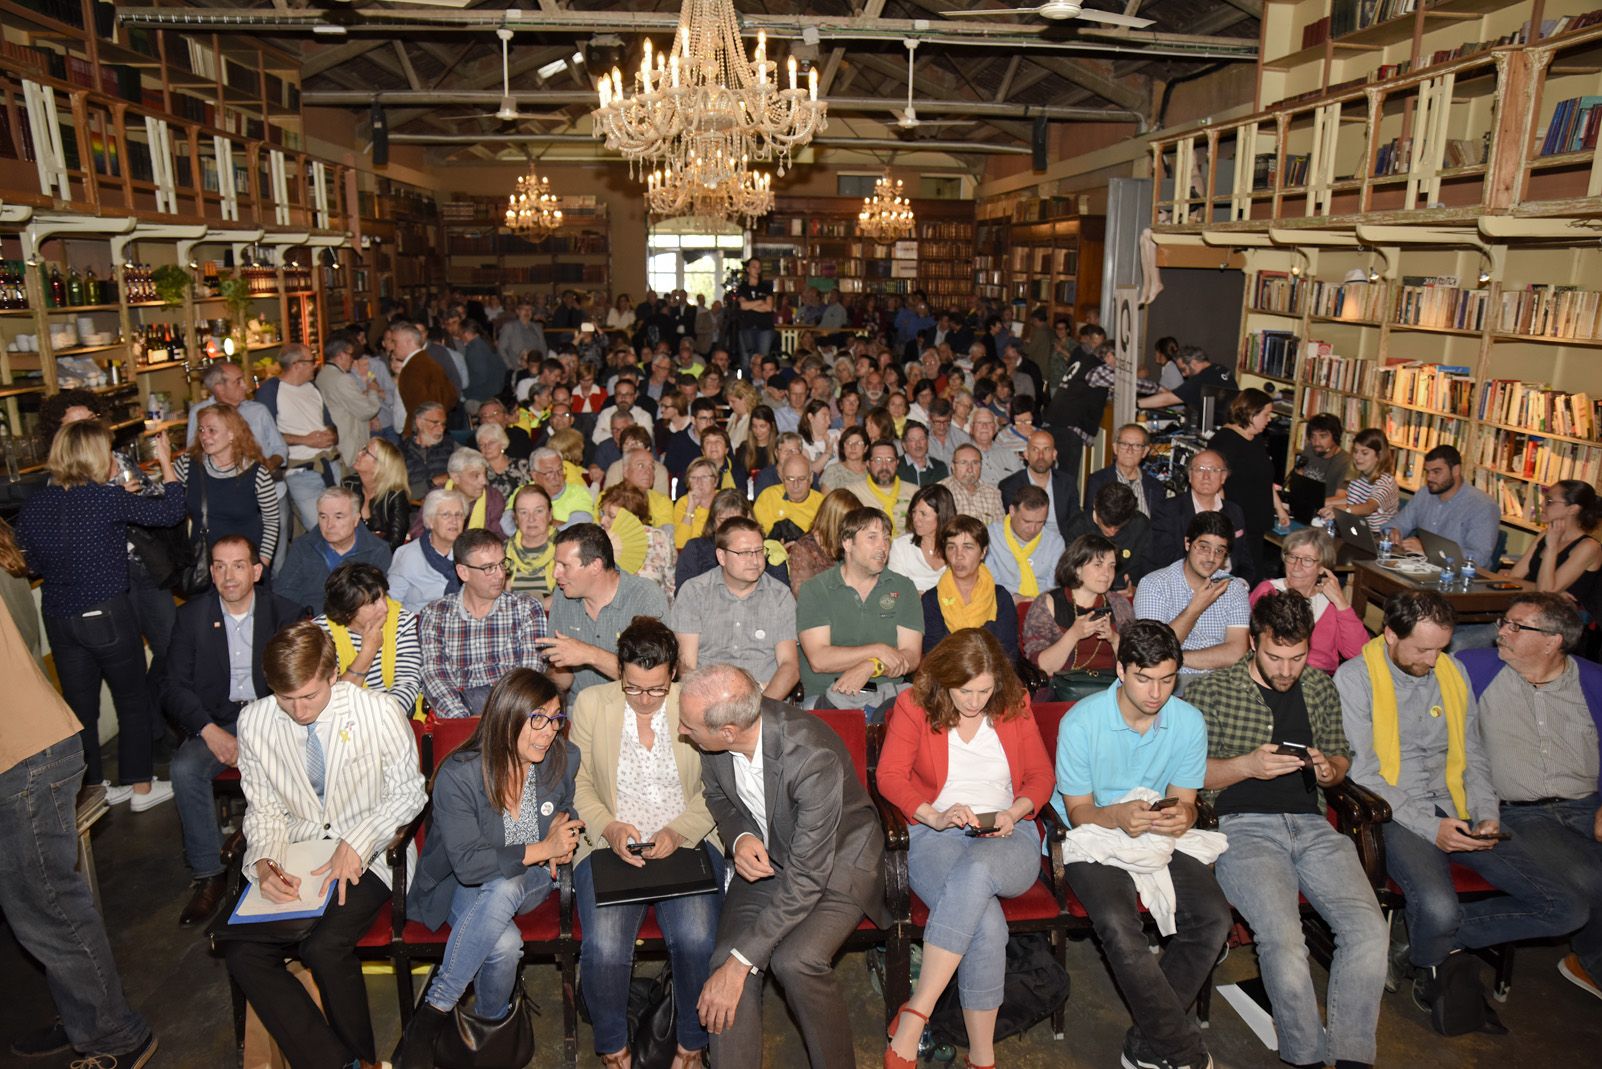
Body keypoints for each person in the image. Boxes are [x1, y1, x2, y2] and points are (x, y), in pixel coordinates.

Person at [1334, 589, 1586, 1032]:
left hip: (1457, 803)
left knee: (1568, 909)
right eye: (1423, 649)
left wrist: (1488, 814)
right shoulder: (1355, 678)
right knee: (1440, 906)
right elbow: (1367, 775)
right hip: (1398, 812)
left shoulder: (1452, 673)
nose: (1434, 661)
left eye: (1441, 648)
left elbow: (1473, 754)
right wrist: (1432, 829)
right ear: (1390, 634)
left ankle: (1422, 943)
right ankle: (1432, 949)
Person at [1187, 591, 1388, 1069]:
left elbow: (1341, 758)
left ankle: (1354, 1058)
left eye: (1296, 658)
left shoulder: (1319, 687)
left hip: (1313, 826)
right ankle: (1306, 1057)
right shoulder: (1209, 691)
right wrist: (1246, 765)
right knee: (1283, 939)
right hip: (1243, 828)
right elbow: (1187, 776)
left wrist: (1328, 770)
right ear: (1254, 642)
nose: (1286, 669)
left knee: (1368, 930)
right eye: (1275, 656)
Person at [223, 622, 427, 1069]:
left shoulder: (377, 710)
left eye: (309, 696)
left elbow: (410, 793)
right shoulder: (255, 720)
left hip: (373, 854)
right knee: (241, 951)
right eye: (285, 697)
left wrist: (357, 842)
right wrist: (264, 862)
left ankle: (360, 1058)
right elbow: (263, 807)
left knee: (323, 947)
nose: (297, 710)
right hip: (298, 850)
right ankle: (340, 1064)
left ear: (334, 674)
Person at [676, 663, 888, 1067]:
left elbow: (808, 877)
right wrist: (741, 837)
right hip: (771, 860)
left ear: (728, 732)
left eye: (688, 726)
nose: (682, 731)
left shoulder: (810, 758)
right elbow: (717, 797)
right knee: (725, 961)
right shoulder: (714, 743)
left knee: (795, 961)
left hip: (837, 863)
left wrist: (742, 963)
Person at [1053, 620, 1233, 1069]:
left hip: (1154, 835)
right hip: (1094, 836)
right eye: (1144, 678)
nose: (1156, 693)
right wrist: (1114, 815)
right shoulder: (1081, 722)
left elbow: (1187, 801)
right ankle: (1182, 1050)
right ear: (1120, 669)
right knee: (1118, 925)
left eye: (1167, 680)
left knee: (1213, 919)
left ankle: (1149, 1044)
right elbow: (1078, 812)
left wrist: (1183, 815)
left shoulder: (1187, 721)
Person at [876, 629, 1053, 1069]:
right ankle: (983, 1055)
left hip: (1008, 835)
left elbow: (1041, 777)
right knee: (987, 925)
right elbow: (890, 776)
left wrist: (1016, 810)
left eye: (984, 691)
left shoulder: (1014, 704)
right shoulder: (914, 705)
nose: (975, 701)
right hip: (935, 833)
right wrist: (932, 815)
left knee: (976, 874)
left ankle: (916, 1012)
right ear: (943, 681)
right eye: (965, 691)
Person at [395, 668, 580, 1067]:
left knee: (508, 885)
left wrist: (563, 836)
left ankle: (433, 1011)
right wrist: (541, 846)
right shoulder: (459, 774)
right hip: (467, 882)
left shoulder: (561, 759)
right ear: (507, 718)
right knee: (504, 943)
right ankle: (490, 1028)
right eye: (538, 720)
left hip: (531, 884)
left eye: (556, 719)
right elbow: (468, 865)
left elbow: (567, 810)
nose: (549, 732)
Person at [0, 604, 158, 1067]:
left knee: (50, 909)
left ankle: (115, 1035)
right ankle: (84, 1016)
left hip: (25, 759)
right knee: (34, 908)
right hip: (26, 753)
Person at [569, 620, 724, 1068]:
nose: (644, 699)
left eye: (655, 689)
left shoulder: (694, 704)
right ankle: (614, 1049)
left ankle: (691, 1047)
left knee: (698, 939)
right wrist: (610, 827)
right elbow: (577, 783)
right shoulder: (592, 704)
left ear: (673, 673)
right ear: (619, 672)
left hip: (686, 841)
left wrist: (679, 831)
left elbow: (717, 787)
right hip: (609, 844)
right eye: (634, 688)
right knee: (603, 947)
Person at [15, 420, 184, 805]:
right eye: (107, 451)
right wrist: (166, 463)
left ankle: (91, 790)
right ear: (94, 457)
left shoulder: (36, 503)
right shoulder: (103, 499)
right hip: (106, 614)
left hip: (59, 618)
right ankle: (139, 787)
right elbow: (172, 511)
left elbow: (30, 563)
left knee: (80, 709)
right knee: (133, 698)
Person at [1457, 592, 1602, 1000]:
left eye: (1516, 627)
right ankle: (1591, 963)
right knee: (1591, 876)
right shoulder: (1475, 668)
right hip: (1524, 813)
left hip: (1586, 803)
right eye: (1505, 622)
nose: (1501, 631)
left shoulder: (1592, 681)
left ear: (1553, 640)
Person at [165, 535, 305, 927]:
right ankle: (209, 874)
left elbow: (299, 680)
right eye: (220, 566)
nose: (229, 575)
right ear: (211, 571)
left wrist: (264, 730)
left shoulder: (286, 613)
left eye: (239, 565)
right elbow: (172, 686)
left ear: (257, 571)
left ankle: (293, 855)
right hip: (219, 720)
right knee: (184, 769)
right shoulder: (191, 617)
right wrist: (209, 731)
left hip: (275, 716)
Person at [796, 506, 924, 711]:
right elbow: (819, 659)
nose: (882, 546)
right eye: (872, 538)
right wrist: (878, 650)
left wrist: (872, 665)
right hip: (827, 694)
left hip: (886, 696)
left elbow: (911, 656)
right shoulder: (816, 589)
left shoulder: (903, 588)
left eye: (886, 538)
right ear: (847, 543)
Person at [417, 529, 549, 718]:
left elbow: (530, 674)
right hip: (459, 712)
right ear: (463, 572)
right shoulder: (436, 614)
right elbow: (435, 676)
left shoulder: (525, 608)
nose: (500, 574)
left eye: (502, 564)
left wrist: (497, 719)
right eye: (488, 568)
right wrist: (462, 720)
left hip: (512, 712)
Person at [670, 516, 801, 700]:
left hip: (764, 696)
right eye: (744, 553)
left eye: (758, 551)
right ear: (721, 557)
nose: (755, 561)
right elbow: (686, 665)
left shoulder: (780, 596)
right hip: (707, 698)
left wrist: (761, 709)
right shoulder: (694, 593)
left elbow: (789, 667)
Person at [541, 523, 671, 694]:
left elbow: (650, 678)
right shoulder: (562, 594)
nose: (555, 574)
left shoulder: (645, 597)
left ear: (595, 565)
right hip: (580, 709)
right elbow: (563, 677)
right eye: (556, 565)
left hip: (632, 709)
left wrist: (590, 654)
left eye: (565, 566)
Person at [1134, 511, 1251, 678]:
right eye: (1203, 547)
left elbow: (1236, 652)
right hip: (1171, 682)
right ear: (1187, 544)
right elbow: (1153, 650)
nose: (1211, 558)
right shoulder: (1154, 585)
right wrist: (1195, 609)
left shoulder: (1233, 588)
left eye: (1219, 551)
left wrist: (1178, 656)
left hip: (1222, 683)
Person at [1022, 533, 1136, 703]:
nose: (1107, 573)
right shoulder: (1048, 603)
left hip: (1111, 692)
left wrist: (1114, 639)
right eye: (1098, 565)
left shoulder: (1118, 605)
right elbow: (1043, 668)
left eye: (1111, 566)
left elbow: (1135, 664)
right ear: (1077, 568)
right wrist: (1073, 634)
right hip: (1062, 694)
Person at [174, 402, 282, 569]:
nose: (204, 436)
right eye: (201, 430)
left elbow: (271, 521)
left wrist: (262, 562)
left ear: (231, 434)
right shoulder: (188, 465)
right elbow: (165, 498)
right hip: (203, 564)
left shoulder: (257, 474)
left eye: (212, 430)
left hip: (243, 566)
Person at [1250, 527, 1367, 672]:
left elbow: (1358, 652)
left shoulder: (1330, 603)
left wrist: (1341, 603)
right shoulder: (1268, 591)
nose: (1296, 567)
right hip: (1275, 672)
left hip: (1320, 678)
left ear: (1322, 568)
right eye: (1292, 557)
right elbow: (1247, 640)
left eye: (1307, 560)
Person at [314, 561, 423, 716]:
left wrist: (379, 719)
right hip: (340, 719)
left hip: (392, 716)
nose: (385, 608)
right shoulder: (321, 633)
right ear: (348, 612)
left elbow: (407, 683)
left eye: (383, 597)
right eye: (373, 603)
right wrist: (368, 651)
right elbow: (330, 698)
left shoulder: (402, 621)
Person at [257, 343, 343, 535]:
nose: (315, 365)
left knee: (341, 526)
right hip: (302, 470)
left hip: (330, 463)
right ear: (297, 365)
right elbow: (264, 434)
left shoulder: (312, 387)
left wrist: (331, 434)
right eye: (311, 361)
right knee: (321, 529)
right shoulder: (271, 390)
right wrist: (305, 440)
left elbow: (329, 423)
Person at [1206, 388, 1289, 586]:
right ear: (1250, 413)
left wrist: (1279, 509)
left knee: (1255, 576)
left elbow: (1265, 478)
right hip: (1238, 524)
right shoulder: (1224, 441)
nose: (1269, 420)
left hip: (1257, 523)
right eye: (1266, 415)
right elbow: (1217, 485)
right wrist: (1226, 522)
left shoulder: (1256, 439)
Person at [277, 486, 393, 617]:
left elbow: (378, 602)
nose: (329, 525)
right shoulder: (303, 546)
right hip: (311, 623)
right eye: (323, 516)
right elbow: (284, 593)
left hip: (355, 624)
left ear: (356, 519)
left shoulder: (377, 551)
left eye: (338, 517)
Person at [1139, 449, 1247, 584]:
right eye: (1200, 469)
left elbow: (1245, 560)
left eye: (1213, 470)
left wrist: (1242, 584)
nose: (1206, 476)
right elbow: (1162, 560)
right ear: (1190, 476)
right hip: (1181, 587)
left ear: (1223, 477)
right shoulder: (1167, 510)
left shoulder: (1234, 511)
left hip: (1229, 587)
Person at [922, 514, 1020, 662]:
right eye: (951, 547)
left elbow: (1008, 652)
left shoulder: (1000, 597)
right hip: (949, 678)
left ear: (983, 552)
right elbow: (934, 655)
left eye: (967, 547)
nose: (958, 555)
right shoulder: (932, 600)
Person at [1387, 444, 1501, 568]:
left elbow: (1479, 558)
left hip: (1461, 577)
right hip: (1423, 567)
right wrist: (1394, 531)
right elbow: (1399, 523)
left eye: (1436, 472)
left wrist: (1429, 550)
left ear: (1456, 470)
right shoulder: (1424, 494)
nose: (1430, 478)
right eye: (1427, 472)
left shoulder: (1483, 506)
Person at [1505, 479, 1602, 620]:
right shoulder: (1544, 534)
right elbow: (1512, 579)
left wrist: (1551, 547)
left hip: (1558, 623)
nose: (1542, 504)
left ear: (1573, 509)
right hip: (1527, 612)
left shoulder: (1589, 547)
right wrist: (1554, 593)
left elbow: (1545, 593)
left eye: (1549, 501)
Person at [186, 359, 288, 475]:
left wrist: (263, 469)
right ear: (219, 388)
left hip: (268, 485)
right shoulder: (200, 413)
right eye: (238, 381)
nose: (245, 386)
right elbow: (194, 455)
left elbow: (280, 448)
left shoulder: (258, 410)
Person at [982, 483, 1066, 604]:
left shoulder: (1055, 543)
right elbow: (990, 583)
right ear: (1012, 511)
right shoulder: (990, 537)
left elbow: (1054, 588)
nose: (1033, 529)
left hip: (1043, 606)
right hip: (1002, 603)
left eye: (1040, 522)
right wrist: (1015, 598)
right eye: (1027, 521)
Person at [388, 488, 467, 613]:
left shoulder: (471, 554)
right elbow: (392, 603)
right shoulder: (408, 555)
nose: (454, 521)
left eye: (459, 514)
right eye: (446, 515)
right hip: (417, 625)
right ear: (430, 521)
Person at [1062, 482, 1150, 593]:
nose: (1112, 532)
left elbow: (1150, 567)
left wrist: (1137, 588)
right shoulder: (1077, 527)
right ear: (1095, 506)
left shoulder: (1140, 525)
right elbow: (1071, 573)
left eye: (1119, 527)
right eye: (1106, 525)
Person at [598, 482, 677, 601]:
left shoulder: (659, 539)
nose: (603, 521)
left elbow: (670, 585)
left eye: (611, 516)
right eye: (602, 513)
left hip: (654, 610)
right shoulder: (598, 541)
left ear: (633, 518)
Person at [316, 333, 384, 468]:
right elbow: (367, 411)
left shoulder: (322, 374)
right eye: (351, 355)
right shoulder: (342, 379)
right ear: (341, 355)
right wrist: (372, 390)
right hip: (350, 444)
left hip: (338, 441)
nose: (352, 360)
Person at [999, 430, 1080, 541]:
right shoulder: (1009, 486)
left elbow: (1075, 523)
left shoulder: (1067, 483)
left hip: (1063, 546)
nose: (1040, 456)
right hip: (1025, 544)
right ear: (1026, 454)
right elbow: (1013, 526)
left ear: (1054, 454)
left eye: (1046, 449)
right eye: (1035, 449)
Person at [1318, 427, 1398, 534]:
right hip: (1355, 531)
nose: (1357, 457)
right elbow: (1351, 500)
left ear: (1379, 455)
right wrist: (1321, 502)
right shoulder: (1360, 474)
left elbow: (1369, 507)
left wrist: (1339, 510)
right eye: (1355, 451)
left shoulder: (1386, 482)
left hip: (1377, 538)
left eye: (1364, 453)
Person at [1137, 344, 1238, 423]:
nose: (1184, 375)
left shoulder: (1201, 379)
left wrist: (1137, 404)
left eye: (1183, 369)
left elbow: (1167, 399)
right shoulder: (1219, 369)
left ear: (1194, 362)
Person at [342, 436, 412, 550]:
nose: (359, 453)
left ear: (379, 466)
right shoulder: (348, 484)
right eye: (363, 449)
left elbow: (394, 543)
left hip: (380, 557)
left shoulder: (396, 496)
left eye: (365, 452)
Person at [1084, 423, 1164, 518]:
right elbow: (1091, 520)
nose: (1130, 450)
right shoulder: (1098, 481)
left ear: (1145, 451)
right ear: (1115, 448)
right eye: (1124, 444)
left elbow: (1159, 525)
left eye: (1137, 445)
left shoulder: (1155, 486)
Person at [889, 483, 958, 594]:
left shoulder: (957, 548)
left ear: (942, 516)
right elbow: (895, 591)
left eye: (923, 514)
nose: (916, 519)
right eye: (914, 512)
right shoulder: (901, 546)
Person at [852, 438, 918, 538]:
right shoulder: (853, 493)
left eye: (890, 460)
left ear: (897, 463)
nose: (884, 466)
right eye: (878, 460)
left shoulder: (914, 492)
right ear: (868, 464)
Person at [754, 453, 824, 542]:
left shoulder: (823, 505)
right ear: (783, 478)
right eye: (790, 479)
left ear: (811, 478)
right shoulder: (768, 497)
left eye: (801, 479)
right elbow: (757, 537)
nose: (795, 485)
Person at [504, 484, 557, 602]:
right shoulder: (504, 552)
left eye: (539, 511)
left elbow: (571, 598)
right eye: (523, 512)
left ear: (550, 514)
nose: (531, 519)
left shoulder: (565, 548)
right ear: (515, 518)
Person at [401, 401, 460, 498]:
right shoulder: (401, 452)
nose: (441, 429)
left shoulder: (452, 446)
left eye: (443, 424)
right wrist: (432, 483)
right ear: (419, 422)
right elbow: (400, 494)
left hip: (448, 503)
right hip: (415, 508)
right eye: (435, 423)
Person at [939, 443, 1006, 527]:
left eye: (975, 463)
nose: (970, 469)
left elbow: (1000, 528)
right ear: (953, 466)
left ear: (981, 466)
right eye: (963, 463)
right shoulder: (941, 491)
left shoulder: (993, 493)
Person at [530, 445, 595, 527]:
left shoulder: (578, 493)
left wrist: (545, 523)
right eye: (549, 472)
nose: (557, 477)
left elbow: (578, 530)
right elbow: (509, 526)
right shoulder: (523, 493)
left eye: (560, 470)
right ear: (534, 475)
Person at [1299, 412, 1358, 498]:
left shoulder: (1346, 462)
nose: (1316, 442)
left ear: (1335, 437)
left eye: (1322, 436)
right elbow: (1299, 474)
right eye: (1313, 436)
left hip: (1325, 508)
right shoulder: (1310, 449)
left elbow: (1340, 498)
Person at [735, 256, 777, 365]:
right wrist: (759, 301)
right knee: (746, 361)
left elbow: (768, 307)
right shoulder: (742, 287)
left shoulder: (766, 287)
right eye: (754, 267)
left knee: (763, 360)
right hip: (746, 327)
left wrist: (750, 304)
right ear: (748, 269)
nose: (757, 269)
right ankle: (745, 382)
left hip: (765, 328)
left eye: (759, 267)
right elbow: (742, 305)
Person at [476, 420, 530, 503]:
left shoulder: (521, 465)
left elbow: (531, 490)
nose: (486, 447)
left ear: (502, 443)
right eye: (482, 444)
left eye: (491, 443)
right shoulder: (477, 469)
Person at [820, 424, 871, 494]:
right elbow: (826, 502)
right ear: (843, 447)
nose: (853, 447)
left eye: (858, 443)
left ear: (865, 448)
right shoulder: (833, 472)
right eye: (848, 442)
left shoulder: (872, 469)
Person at [926, 398, 972, 468]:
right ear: (930, 418)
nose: (942, 427)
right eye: (937, 422)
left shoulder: (963, 438)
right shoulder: (921, 436)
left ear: (951, 418)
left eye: (945, 421)